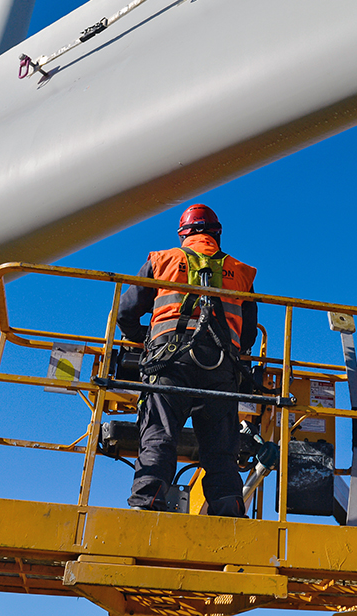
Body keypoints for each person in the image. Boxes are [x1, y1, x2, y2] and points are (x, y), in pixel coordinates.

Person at [116, 203, 258, 516]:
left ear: (184, 234)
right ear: (217, 234)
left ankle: (148, 501)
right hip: (221, 367)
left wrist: (145, 339)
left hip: (169, 362)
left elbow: (125, 312)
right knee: (222, 449)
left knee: (160, 435)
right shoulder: (242, 273)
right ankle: (228, 507)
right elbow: (248, 336)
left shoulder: (162, 259)